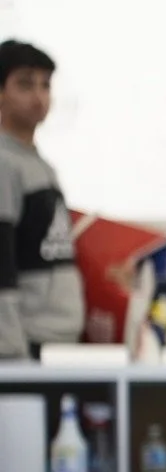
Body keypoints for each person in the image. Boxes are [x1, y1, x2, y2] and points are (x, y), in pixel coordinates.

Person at [0, 40, 83, 360]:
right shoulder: (5, 164)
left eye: (45, 85)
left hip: (57, 341)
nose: (38, 96)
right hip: (25, 345)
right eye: (25, 83)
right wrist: (11, 351)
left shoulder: (41, 166)